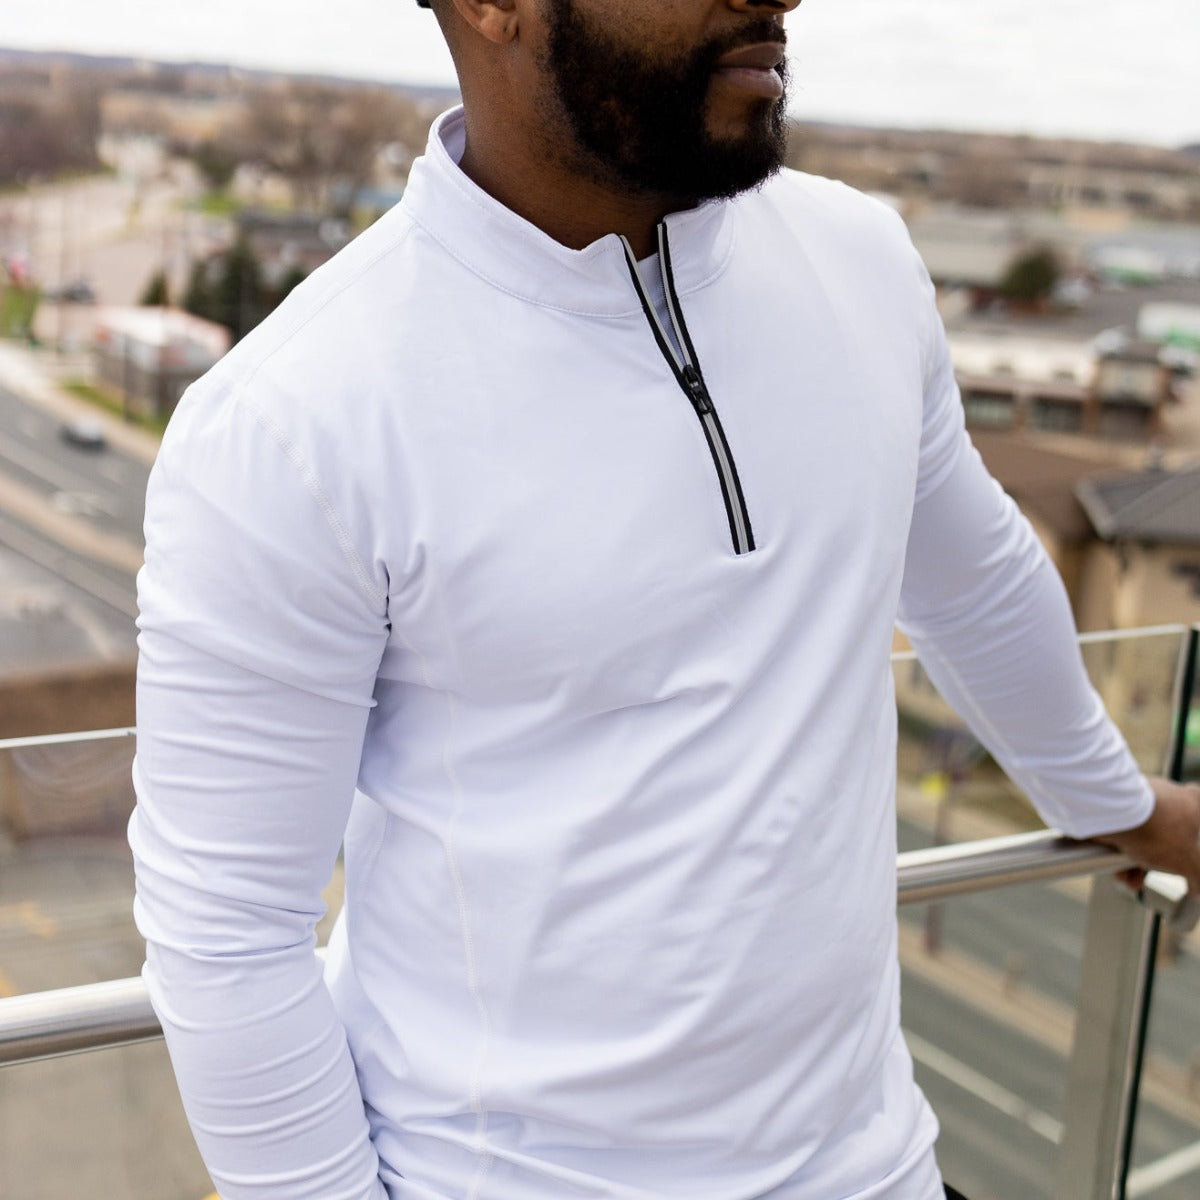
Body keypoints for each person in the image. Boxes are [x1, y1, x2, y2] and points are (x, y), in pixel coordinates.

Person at [129, 2, 1200, 1198]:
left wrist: (1126, 806)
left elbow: (975, 579)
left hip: (877, 1170)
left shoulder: (861, 262)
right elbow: (229, 937)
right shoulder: (293, 419)